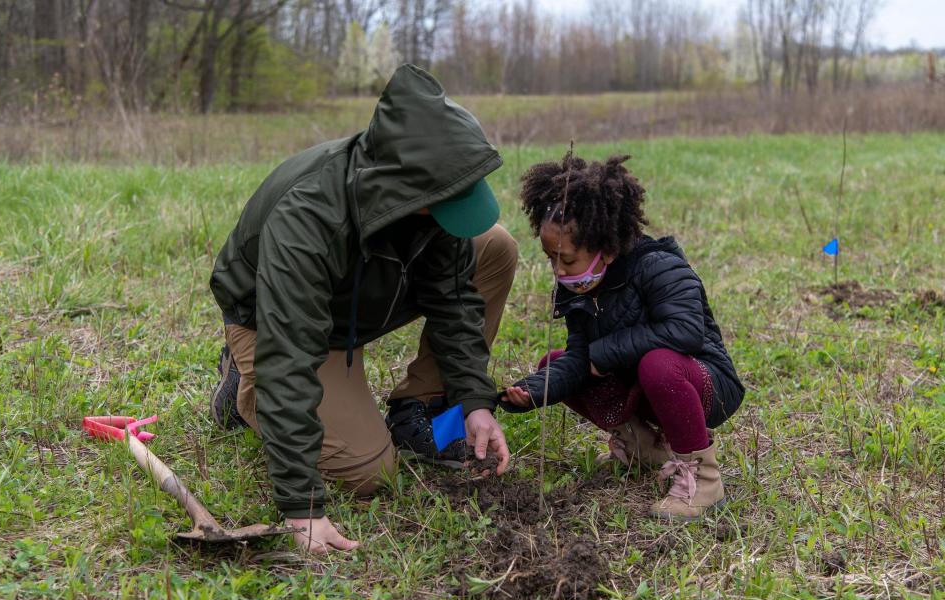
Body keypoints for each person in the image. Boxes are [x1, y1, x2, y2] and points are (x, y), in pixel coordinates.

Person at [208, 64, 516, 552]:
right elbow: (291, 353)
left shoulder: (422, 208)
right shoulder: (307, 218)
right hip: (281, 324)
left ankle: (424, 409)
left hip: (362, 294)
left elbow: (455, 300)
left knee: (494, 245)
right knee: (370, 473)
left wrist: (475, 401)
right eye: (446, 202)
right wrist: (302, 506)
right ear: (409, 190)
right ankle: (245, 387)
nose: (453, 211)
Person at [498, 153, 744, 520]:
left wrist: (608, 351)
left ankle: (703, 481)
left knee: (657, 363)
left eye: (567, 260)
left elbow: (687, 333)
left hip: (705, 385)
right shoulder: (578, 287)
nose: (558, 270)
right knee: (555, 362)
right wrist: (533, 390)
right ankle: (644, 447)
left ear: (607, 250)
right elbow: (581, 359)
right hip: (644, 383)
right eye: (551, 258)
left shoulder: (660, 266)